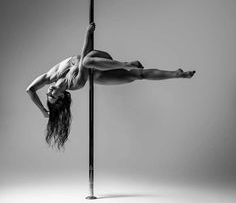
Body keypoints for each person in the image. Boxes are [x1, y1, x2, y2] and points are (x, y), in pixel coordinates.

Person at [26, 23, 195, 149]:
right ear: (62, 96)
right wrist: (87, 34)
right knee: (137, 75)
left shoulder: (51, 75)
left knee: (87, 60)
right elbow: (83, 55)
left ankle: (126, 63)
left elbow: (30, 90)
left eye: (48, 93)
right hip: (98, 73)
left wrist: (43, 110)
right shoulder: (76, 83)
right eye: (53, 95)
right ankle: (176, 74)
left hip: (99, 59)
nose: (49, 91)